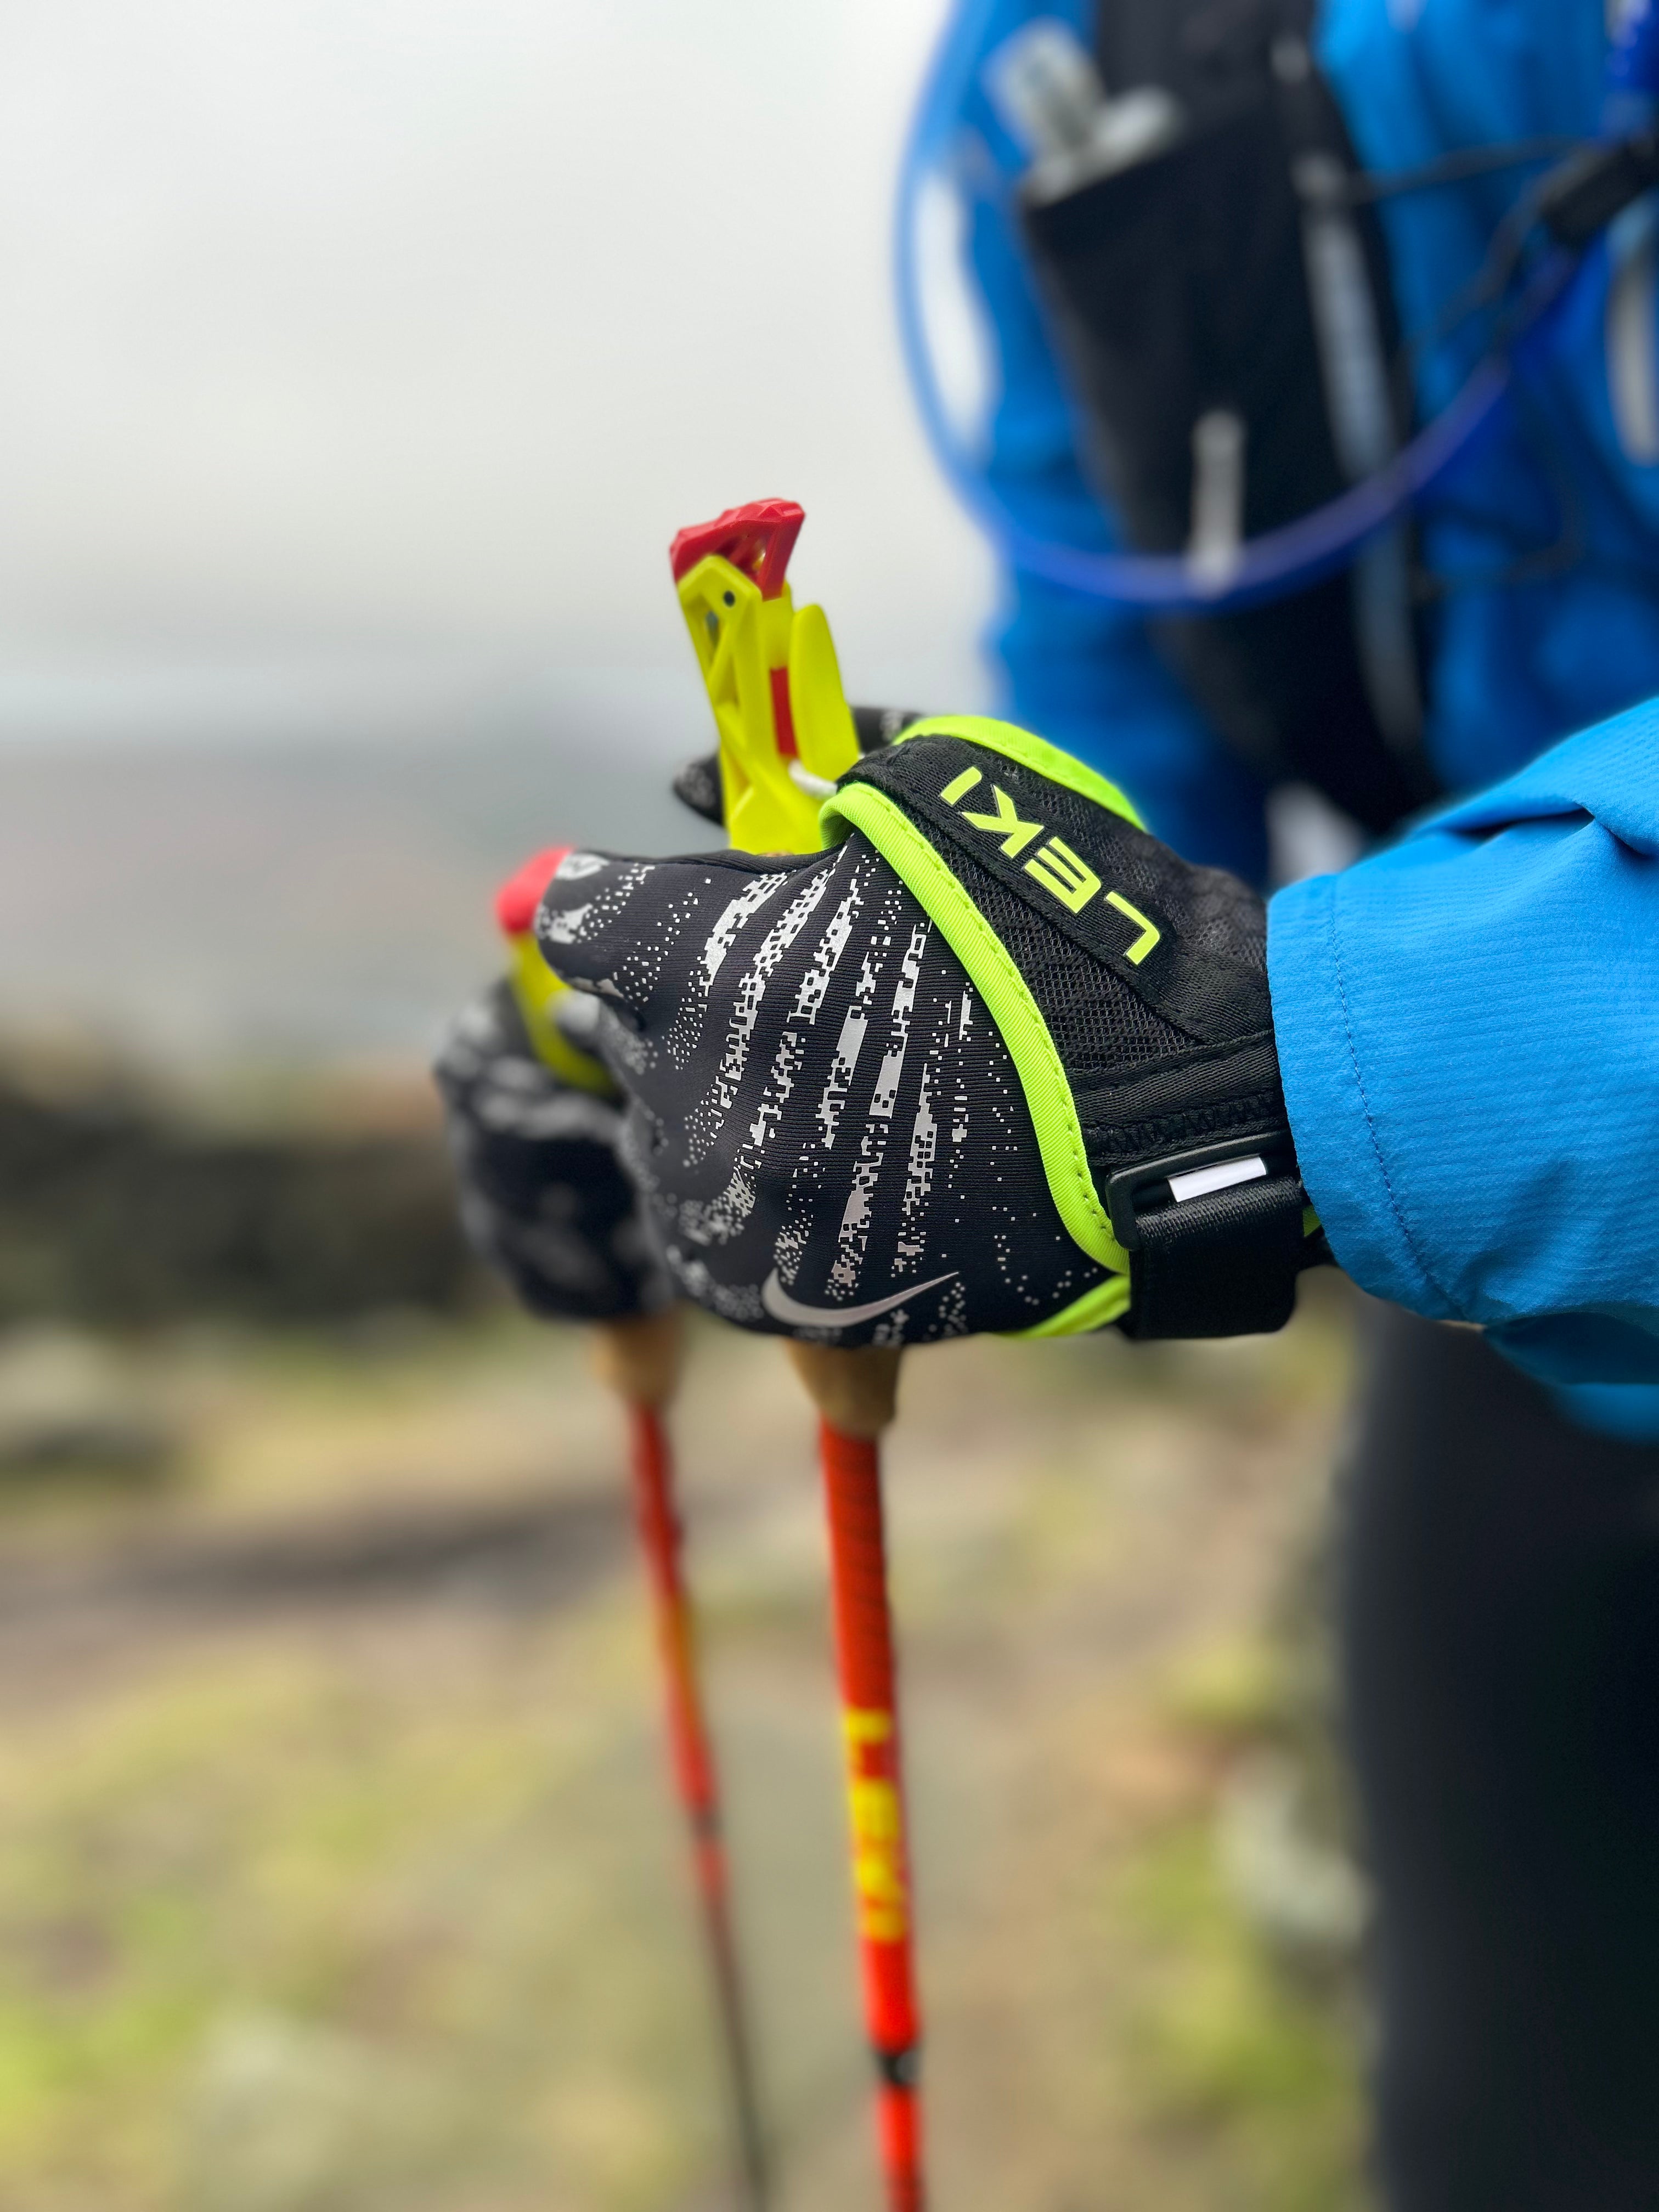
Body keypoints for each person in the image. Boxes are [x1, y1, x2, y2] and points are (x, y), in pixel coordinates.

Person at [443, 2, 1659, 2203]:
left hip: (1472, 1130)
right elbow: (1132, 728)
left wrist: (1278, 1061)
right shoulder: (1066, 62)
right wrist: (849, 994)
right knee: (1497, 2128)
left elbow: (1232, 1038)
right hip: (1515, 1288)